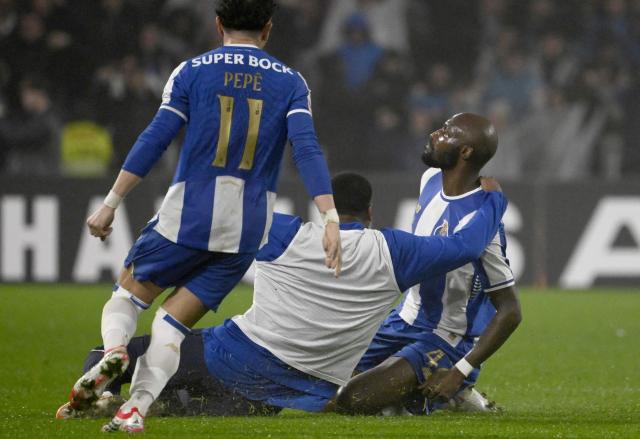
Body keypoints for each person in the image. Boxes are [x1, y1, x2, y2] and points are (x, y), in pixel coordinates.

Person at [65, 0, 342, 433]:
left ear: (218, 25)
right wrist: (330, 219)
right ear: (268, 28)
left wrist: (111, 202)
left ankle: (115, 351)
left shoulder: (191, 71)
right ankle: (134, 410)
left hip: (187, 217)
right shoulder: (291, 82)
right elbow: (306, 149)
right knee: (171, 326)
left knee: (127, 297)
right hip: (247, 231)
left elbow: (156, 137)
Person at [58, 172, 507, 425]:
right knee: (225, 394)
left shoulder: (280, 230)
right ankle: (194, 403)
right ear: (370, 213)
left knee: (105, 356)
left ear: (324, 209)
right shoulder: (397, 252)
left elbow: (217, 218)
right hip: (308, 387)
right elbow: (464, 248)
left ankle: (124, 396)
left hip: (231, 354)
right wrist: (493, 203)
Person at [335, 113, 522, 415]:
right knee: (322, 383)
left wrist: (460, 370)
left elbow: (511, 310)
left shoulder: (482, 220)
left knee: (351, 399)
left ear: (466, 152)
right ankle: (410, 396)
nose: (436, 133)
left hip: (445, 337)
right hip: (403, 320)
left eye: (447, 132)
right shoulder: (430, 180)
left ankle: (452, 390)